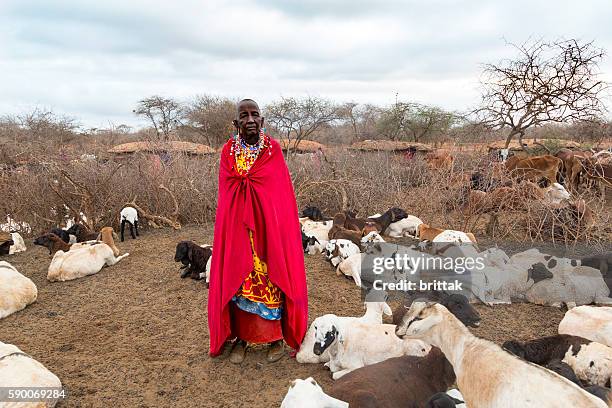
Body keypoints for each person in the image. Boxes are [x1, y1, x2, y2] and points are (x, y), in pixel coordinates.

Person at [207, 99, 308, 364]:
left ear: (261, 121)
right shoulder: (228, 152)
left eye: (255, 115)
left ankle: (274, 339)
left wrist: (270, 222)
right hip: (239, 231)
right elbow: (227, 194)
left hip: (268, 231)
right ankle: (241, 339)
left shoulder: (272, 150)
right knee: (239, 283)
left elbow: (279, 193)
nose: (250, 119)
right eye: (244, 115)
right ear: (236, 122)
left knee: (271, 281)